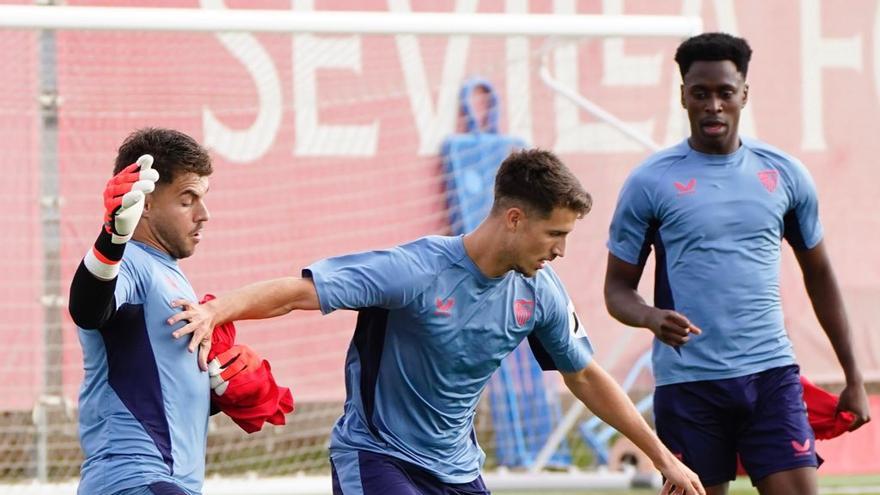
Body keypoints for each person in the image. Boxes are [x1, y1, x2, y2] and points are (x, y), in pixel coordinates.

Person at [168, 149, 705, 495]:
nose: (562, 250)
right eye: (554, 234)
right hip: (378, 458)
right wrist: (216, 310)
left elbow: (584, 375)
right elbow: (297, 293)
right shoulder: (416, 270)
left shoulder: (539, 291)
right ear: (514, 219)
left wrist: (664, 459)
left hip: (457, 469)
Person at [603, 32, 871, 495]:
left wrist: (854, 377)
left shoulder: (785, 175)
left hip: (771, 377)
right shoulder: (650, 182)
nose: (713, 106)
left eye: (725, 93)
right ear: (682, 94)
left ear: (744, 94)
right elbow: (616, 290)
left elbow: (820, 275)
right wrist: (650, 318)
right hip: (688, 386)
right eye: (700, 93)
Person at [68, 127, 213, 495]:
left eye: (203, 198)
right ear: (144, 203)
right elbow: (87, 309)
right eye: (187, 199)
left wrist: (223, 390)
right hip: (133, 479)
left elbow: (156, 390)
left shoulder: (169, 272)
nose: (204, 214)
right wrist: (111, 239)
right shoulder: (130, 261)